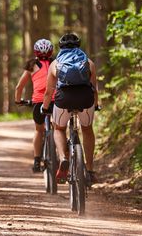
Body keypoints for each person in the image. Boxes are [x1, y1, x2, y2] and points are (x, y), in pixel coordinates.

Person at [42, 32, 99, 184]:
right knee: (87, 129)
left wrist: (45, 107)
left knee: (59, 128)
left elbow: (49, 91)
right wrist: (97, 105)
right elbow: (94, 89)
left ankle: (63, 158)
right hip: (85, 99)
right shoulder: (88, 62)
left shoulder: (55, 64)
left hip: (64, 99)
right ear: (78, 46)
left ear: (60, 47)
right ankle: (90, 169)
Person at [14, 38, 54, 173]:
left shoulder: (31, 65)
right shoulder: (57, 63)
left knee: (39, 130)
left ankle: (37, 160)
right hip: (56, 101)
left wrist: (18, 101)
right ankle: (62, 154)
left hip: (38, 102)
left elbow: (19, 86)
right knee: (60, 128)